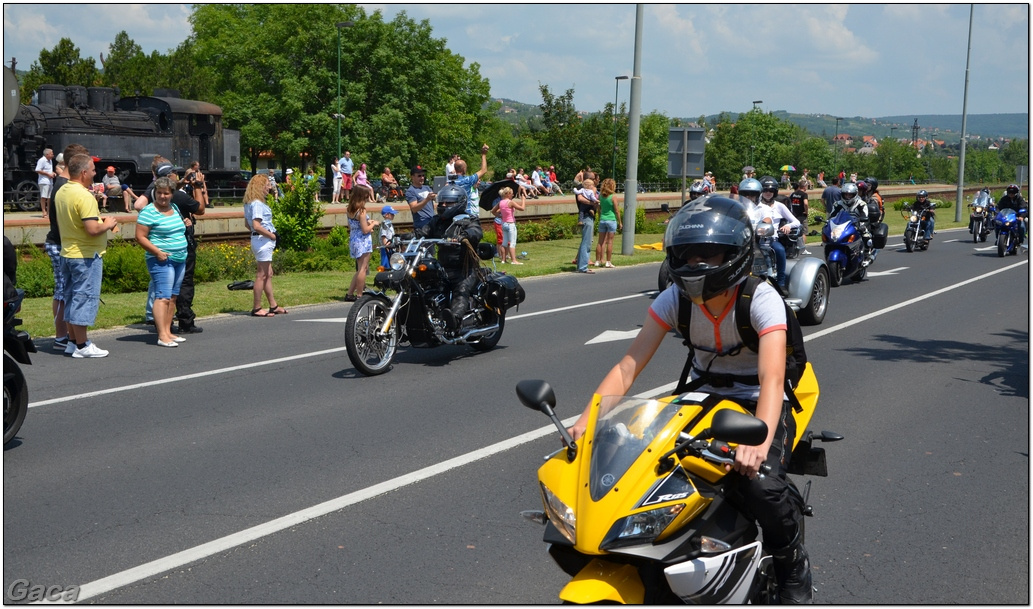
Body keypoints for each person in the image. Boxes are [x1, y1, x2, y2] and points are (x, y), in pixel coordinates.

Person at [567, 195, 813, 604]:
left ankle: (793, 565)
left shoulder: (761, 298)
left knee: (762, 486)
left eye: (710, 254)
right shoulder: (673, 299)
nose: (697, 263)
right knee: (640, 462)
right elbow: (629, 366)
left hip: (757, 399)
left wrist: (758, 442)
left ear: (734, 256)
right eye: (689, 254)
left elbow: (771, 379)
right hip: (702, 395)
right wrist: (588, 420)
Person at [55, 153, 120, 358]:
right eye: (92, 170)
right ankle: (83, 346)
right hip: (85, 255)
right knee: (84, 298)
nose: (95, 173)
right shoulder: (84, 195)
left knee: (72, 297)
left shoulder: (62, 191)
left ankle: (73, 342)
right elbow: (92, 229)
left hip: (68, 252)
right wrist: (108, 224)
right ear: (83, 173)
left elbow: (77, 221)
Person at [135, 176, 189, 347]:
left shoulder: (174, 208)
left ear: (172, 194)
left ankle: (168, 331)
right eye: (159, 193)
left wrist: (185, 223)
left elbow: (178, 228)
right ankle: (162, 335)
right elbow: (140, 237)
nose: (163, 196)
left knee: (173, 297)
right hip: (162, 259)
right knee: (163, 296)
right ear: (154, 193)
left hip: (180, 257)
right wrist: (157, 252)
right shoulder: (149, 211)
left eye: (166, 193)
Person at [242, 174, 287, 317]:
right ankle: (257, 307)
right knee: (261, 275)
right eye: (267, 184)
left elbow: (247, 224)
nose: (269, 187)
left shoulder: (249, 203)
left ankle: (273, 305)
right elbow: (256, 225)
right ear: (260, 186)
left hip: (259, 240)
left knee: (268, 274)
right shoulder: (257, 204)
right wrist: (272, 235)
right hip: (263, 241)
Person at [759, 176, 800, 288]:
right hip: (755, 238)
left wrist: (788, 225)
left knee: (780, 250)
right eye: (765, 190)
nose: (768, 193)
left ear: (775, 192)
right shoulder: (757, 206)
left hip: (772, 238)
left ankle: (781, 282)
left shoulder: (780, 206)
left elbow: (796, 222)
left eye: (771, 190)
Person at [345, 184, 379, 302]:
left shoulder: (349, 209)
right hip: (363, 241)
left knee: (359, 269)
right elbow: (365, 230)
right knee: (363, 269)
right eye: (365, 198)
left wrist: (368, 222)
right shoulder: (362, 211)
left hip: (354, 238)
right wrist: (373, 224)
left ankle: (349, 294)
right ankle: (359, 295)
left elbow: (351, 225)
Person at [490, 186, 526, 265]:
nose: (513, 195)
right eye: (512, 194)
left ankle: (503, 260)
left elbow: (493, 211)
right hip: (510, 224)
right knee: (512, 243)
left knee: (504, 242)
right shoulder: (511, 202)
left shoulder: (501, 202)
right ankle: (514, 260)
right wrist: (523, 200)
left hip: (504, 224)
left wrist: (499, 216)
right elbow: (522, 208)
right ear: (508, 194)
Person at [453, 144, 490, 217]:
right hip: (465, 214)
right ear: (463, 169)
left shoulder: (450, 181)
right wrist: (483, 154)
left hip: (453, 214)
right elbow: (483, 170)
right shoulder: (467, 180)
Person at [593, 178, 622, 268]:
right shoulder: (613, 196)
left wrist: (600, 216)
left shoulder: (600, 196)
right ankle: (608, 262)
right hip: (611, 220)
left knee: (600, 242)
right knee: (609, 242)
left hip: (602, 219)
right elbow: (617, 211)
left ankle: (597, 261)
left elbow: (599, 208)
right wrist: (620, 222)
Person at [574, 178, 599, 273]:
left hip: (588, 217)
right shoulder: (582, 188)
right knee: (587, 242)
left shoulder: (584, 189)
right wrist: (593, 203)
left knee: (585, 242)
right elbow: (580, 199)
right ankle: (583, 267)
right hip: (586, 217)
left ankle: (580, 266)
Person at [404, 165, 437, 231]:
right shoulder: (411, 191)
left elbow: (436, 199)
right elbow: (414, 208)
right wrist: (427, 199)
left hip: (432, 221)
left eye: (423, 175)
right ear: (412, 177)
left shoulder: (427, 187)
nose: (422, 178)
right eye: (419, 176)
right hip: (421, 224)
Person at [788, 182, 811, 254]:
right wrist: (806, 211)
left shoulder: (793, 194)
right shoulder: (804, 194)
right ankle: (803, 249)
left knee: (795, 231)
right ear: (804, 187)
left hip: (794, 215)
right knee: (803, 232)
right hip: (801, 215)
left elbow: (788, 202)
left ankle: (794, 247)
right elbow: (805, 203)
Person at [36, 148, 56, 219]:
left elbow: (49, 170)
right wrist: (48, 174)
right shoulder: (42, 160)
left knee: (50, 197)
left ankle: (49, 212)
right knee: (44, 197)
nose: (53, 155)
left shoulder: (50, 161)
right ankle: (44, 212)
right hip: (43, 181)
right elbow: (37, 169)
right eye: (51, 153)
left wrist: (52, 173)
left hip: (50, 181)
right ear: (47, 154)